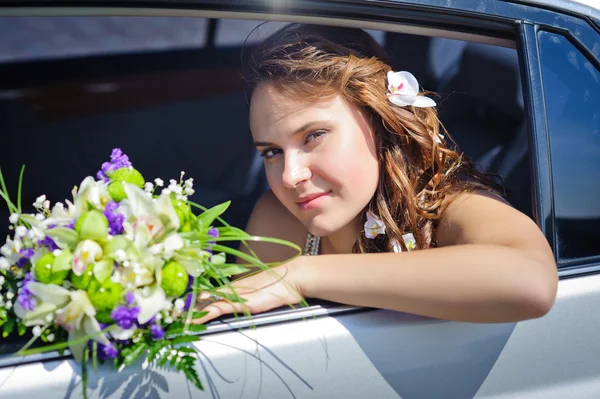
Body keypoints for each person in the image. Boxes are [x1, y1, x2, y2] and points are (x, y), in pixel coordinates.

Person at [192, 23, 557, 325]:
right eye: (271, 152)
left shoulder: (450, 205)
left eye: (313, 136)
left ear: (380, 122)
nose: (290, 176)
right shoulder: (279, 217)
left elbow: (531, 281)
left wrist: (302, 275)